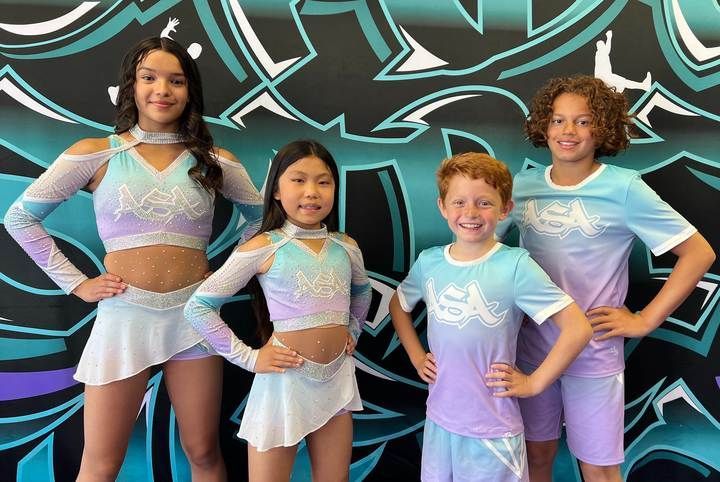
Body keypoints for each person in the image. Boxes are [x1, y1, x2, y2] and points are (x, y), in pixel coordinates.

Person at [4, 36, 264, 481]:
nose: (162, 89)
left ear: (189, 92)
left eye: (176, 80)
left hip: (193, 317)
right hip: (124, 315)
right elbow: (21, 217)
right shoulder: (98, 152)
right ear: (132, 86)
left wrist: (223, 277)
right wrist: (76, 282)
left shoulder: (213, 159)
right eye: (150, 77)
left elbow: (262, 219)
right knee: (101, 462)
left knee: (202, 450)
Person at [497, 75, 715, 482]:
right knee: (533, 457)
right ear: (544, 125)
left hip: (594, 354)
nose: (568, 131)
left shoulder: (624, 188)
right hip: (530, 351)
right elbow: (485, 255)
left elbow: (699, 253)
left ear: (602, 128)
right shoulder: (521, 187)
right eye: (559, 120)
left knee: (598, 467)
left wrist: (645, 319)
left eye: (582, 121)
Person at [389, 152, 592, 482]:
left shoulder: (515, 266)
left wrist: (535, 382)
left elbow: (577, 328)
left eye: (484, 203)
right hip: (440, 422)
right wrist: (416, 355)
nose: (470, 213)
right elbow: (399, 305)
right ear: (442, 206)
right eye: (459, 202)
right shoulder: (430, 263)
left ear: (505, 209)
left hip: (494, 429)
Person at [184, 139, 372, 482]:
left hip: (337, 380)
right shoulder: (264, 246)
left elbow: (362, 291)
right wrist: (250, 358)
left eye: (323, 181)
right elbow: (199, 306)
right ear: (275, 190)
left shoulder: (346, 246)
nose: (312, 192)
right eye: (298, 180)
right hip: (283, 384)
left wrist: (354, 330)